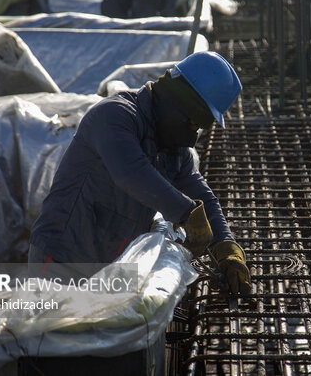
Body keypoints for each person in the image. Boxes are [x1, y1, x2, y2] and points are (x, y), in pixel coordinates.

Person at [28, 51, 252, 295]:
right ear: (177, 101)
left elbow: (201, 194)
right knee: (53, 331)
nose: (192, 132)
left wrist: (226, 247)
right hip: (61, 261)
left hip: (109, 268)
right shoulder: (115, 115)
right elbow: (131, 172)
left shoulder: (171, 144)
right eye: (192, 122)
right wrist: (187, 213)